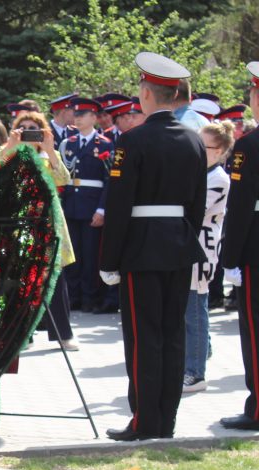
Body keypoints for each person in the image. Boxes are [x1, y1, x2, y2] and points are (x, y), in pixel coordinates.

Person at [99, 52, 207, 441]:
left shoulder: (132, 141)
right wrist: (182, 237)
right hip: (179, 245)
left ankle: (145, 422)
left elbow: (119, 204)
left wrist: (108, 259)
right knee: (172, 333)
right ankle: (167, 419)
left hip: (141, 249)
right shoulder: (194, 142)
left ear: (146, 94)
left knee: (144, 336)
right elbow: (196, 204)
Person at [0, 110, 77, 350]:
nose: (29, 132)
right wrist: (10, 146)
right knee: (21, 280)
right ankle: (22, 335)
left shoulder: (47, 156)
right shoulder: (11, 155)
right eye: (24, 128)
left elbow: (63, 178)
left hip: (48, 223)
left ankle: (63, 334)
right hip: (20, 224)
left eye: (34, 128)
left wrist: (51, 149)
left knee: (55, 280)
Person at [219, 62, 259, 430]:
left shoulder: (249, 145)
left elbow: (241, 206)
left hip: (256, 251)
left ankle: (258, 408)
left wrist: (229, 258)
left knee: (256, 332)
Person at [183, 120, 233, 393]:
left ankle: (195, 371)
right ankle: (200, 353)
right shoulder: (198, 172)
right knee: (189, 307)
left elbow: (195, 208)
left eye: (204, 146)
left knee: (195, 308)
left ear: (220, 150)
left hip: (202, 247)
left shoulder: (218, 178)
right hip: (189, 244)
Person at [59, 98, 114, 314]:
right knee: (74, 255)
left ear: (94, 117)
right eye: (76, 114)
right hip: (71, 204)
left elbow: (109, 180)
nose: (78, 118)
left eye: (83, 115)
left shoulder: (105, 144)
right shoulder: (68, 143)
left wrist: (102, 209)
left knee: (91, 255)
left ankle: (90, 296)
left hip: (92, 206)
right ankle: (73, 297)